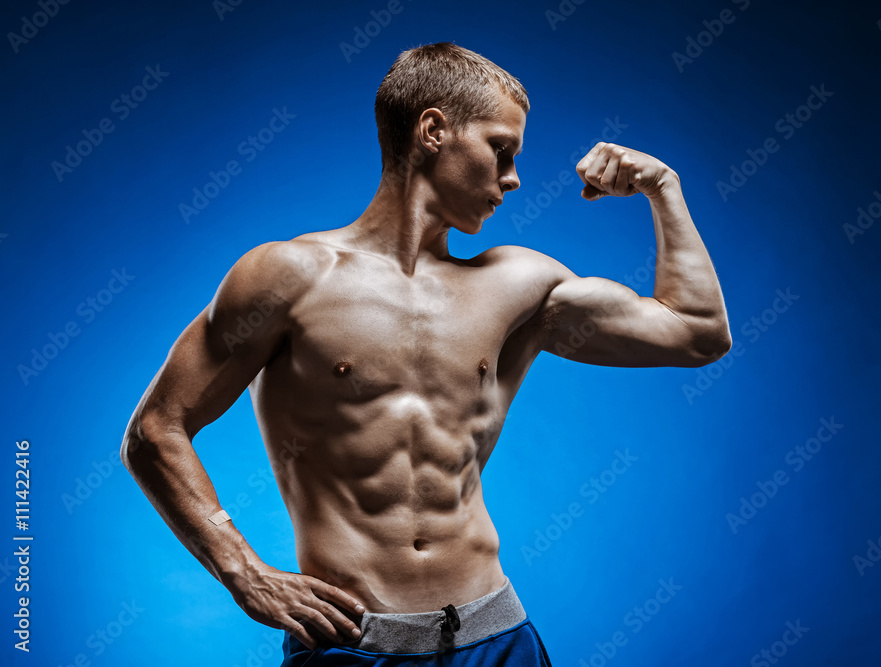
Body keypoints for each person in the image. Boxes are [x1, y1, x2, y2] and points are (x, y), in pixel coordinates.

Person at [120, 41, 731, 665]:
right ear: (434, 131)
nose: (514, 178)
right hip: (354, 646)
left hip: (497, 638)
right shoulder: (288, 277)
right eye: (502, 149)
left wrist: (664, 188)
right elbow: (154, 430)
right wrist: (242, 571)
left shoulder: (520, 287)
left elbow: (698, 332)